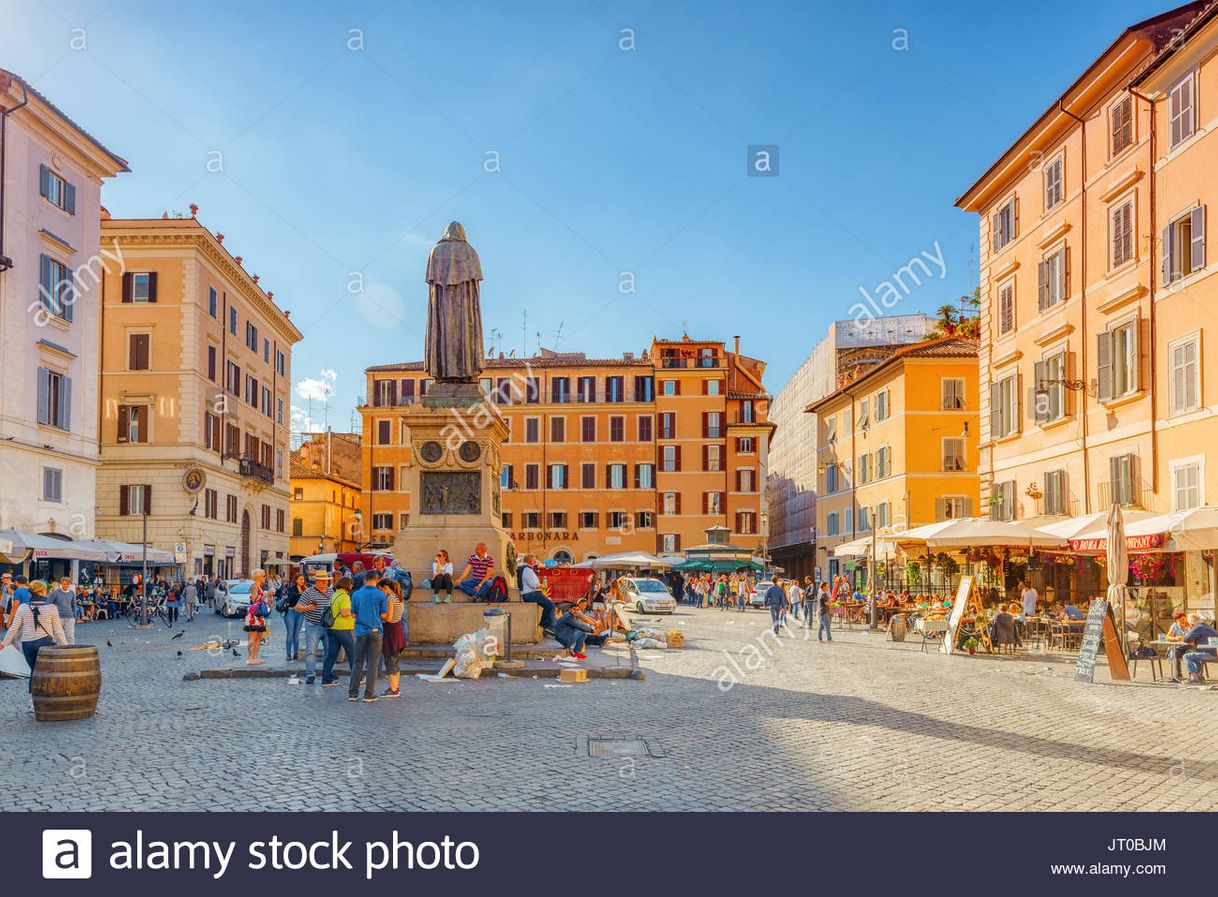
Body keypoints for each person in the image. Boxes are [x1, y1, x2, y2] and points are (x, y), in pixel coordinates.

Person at [2, 580, 65, 695]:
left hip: (27, 644)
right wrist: (66, 646)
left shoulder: (23, 607)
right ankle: (46, 696)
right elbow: (58, 630)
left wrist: (4, 644)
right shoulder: (52, 608)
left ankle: (32, 700)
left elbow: (13, 628)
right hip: (45, 642)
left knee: (34, 671)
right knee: (46, 671)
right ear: (42, 591)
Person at [348, 569, 388, 703]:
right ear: (377, 580)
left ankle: (353, 693)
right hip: (376, 631)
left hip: (360, 631)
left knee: (357, 663)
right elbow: (384, 616)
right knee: (372, 664)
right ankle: (368, 694)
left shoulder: (356, 594)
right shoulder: (381, 595)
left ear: (365, 579)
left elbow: (353, 614)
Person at [296, 571, 333, 684]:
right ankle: (310, 674)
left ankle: (327, 673)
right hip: (313, 625)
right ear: (317, 581)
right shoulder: (309, 592)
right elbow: (298, 607)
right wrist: (308, 607)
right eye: (323, 581)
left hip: (328, 627)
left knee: (329, 651)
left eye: (327, 581)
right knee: (311, 651)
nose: (325, 583)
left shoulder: (331, 591)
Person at [321, 576, 356, 687]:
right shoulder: (345, 597)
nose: (352, 586)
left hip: (332, 629)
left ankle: (326, 679)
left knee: (332, 655)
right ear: (347, 585)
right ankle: (357, 677)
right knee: (352, 653)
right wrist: (354, 614)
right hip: (343, 628)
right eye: (351, 584)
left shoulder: (334, 595)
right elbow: (344, 613)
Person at [378, 576, 408, 698]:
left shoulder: (390, 599)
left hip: (391, 631)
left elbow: (389, 618)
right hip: (398, 630)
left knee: (390, 660)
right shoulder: (398, 597)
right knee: (395, 661)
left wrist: (380, 616)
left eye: (380, 589)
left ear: (385, 588)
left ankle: (393, 689)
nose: (380, 592)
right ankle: (395, 687)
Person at [517, 552, 557, 636]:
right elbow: (534, 585)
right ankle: (546, 625)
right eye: (534, 560)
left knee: (550, 603)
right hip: (530, 594)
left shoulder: (525, 569)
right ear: (531, 561)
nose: (535, 562)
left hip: (530, 593)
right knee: (550, 605)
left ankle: (550, 626)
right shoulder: (527, 570)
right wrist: (543, 585)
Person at [243, 569, 272, 665]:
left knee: (259, 637)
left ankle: (255, 657)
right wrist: (268, 594)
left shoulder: (259, 587)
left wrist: (268, 601)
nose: (265, 577)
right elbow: (255, 600)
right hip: (254, 614)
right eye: (263, 576)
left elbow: (261, 601)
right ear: (257, 576)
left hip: (259, 615)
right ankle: (250, 658)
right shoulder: (254, 587)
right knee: (253, 637)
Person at [1180, 616, 1218, 684]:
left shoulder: (1198, 627)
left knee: (1186, 656)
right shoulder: (1207, 626)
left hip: (1209, 653)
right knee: (1195, 657)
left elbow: (1186, 639)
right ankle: (1199, 676)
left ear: (1192, 624)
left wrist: (1190, 630)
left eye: (1189, 624)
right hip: (1215, 652)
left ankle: (1194, 677)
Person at [282, 573, 307, 662]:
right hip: (291, 612)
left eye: (303, 579)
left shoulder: (304, 589)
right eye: (300, 579)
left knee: (296, 634)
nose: (302, 581)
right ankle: (288, 654)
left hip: (300, 612)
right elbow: (293, 597)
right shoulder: (291, 589)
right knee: (290, 633)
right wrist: (303, 594)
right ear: (296, 580)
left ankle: (296, 653)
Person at [48, 577, 77, 646]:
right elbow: (48, 603)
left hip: (70, 617)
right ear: (61, 584)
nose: (65, 585)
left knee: (70, 636)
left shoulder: (72, 593)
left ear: (69, 584)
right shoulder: (55, 593)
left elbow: (73, 605)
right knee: (55, 635)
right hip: (58, 617)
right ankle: (54, 650)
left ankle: (70, 651)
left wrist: (74, 616)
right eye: (63, 584)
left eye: (67, 584)